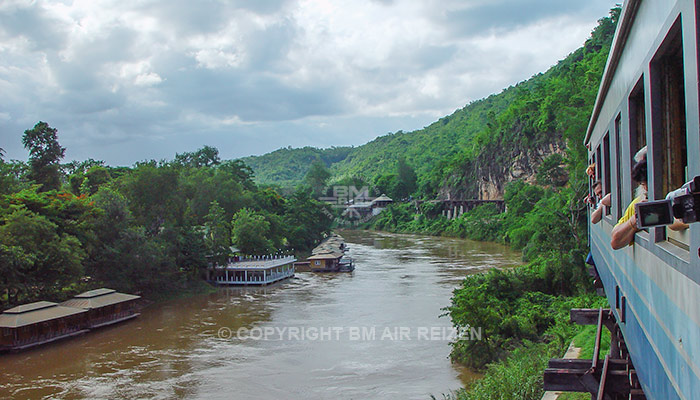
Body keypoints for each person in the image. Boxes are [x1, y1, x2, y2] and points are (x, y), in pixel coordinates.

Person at [611, 160, 647, 249]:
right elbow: (615, 242)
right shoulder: (638, 203)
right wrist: (634, 221)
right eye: (643, 184)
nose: (646, 188)